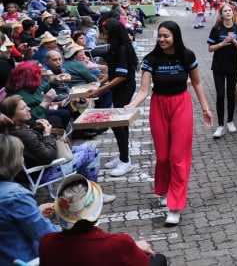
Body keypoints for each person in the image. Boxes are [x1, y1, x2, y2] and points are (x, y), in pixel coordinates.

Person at [125, 20, 212, 226]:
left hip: (181, 105)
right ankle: (163, 189)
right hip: (159, 105)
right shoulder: (151, 59)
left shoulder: (187, 56)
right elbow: (144, 90)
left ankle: (175, 206)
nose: (162, 39)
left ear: (175, 37)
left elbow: (197, 83)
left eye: (166, 36)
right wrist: (130, 106)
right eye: (160, 36)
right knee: (163, 157)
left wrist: (205, 108)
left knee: (178, 158)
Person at [39, 174, 167, 266]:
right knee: (159, 259)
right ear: (96, 210)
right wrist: (135, 248)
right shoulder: (120, 244)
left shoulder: (46, 242)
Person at [0, 95, 103, 185]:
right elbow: (48, 158)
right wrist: (47, 134)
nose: (29, 108)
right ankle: (91, 192)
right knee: (93, 153)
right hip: (42, 174)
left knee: (86, 148)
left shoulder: (13, 130)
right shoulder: (24, 134)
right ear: (12, 116)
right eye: (23, 108)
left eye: (26, 106)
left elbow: (35, 147)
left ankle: (81, 188)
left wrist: (37, 129)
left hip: (36, 169)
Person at [86, 18, 137, 177]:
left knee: (118, 124)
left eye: (106, 33)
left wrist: (101, 91)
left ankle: (125, 160)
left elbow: (121, 76)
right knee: (119, 124)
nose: (103, 35)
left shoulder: (122, 48)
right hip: (119, 87)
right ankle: (123, 155)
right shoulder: (116, 47)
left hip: (124, 88)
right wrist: (100, 83)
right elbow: (113, 72)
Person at [0, 135, 61, 265]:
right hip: (24, 260)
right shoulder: (15, 196)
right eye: (21, 155)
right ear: (12, 160)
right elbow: (45, 234)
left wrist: (35, 212)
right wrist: (74, 232)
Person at [207, 4, 237, 139]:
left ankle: (230, 121)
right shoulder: (216, 29)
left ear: (233, 13)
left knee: (230, 95)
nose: (228, 12)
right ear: (221, 14)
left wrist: (234, 40)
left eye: (230, 10)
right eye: (225, 11)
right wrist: (222, 44)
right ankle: (220, 125)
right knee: (220, 95)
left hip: (232, 66)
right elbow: (210, 48)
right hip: (218, 67)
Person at [6, 60, 71, 130]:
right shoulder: (19, 95)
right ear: (31, 77)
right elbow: (29, 118)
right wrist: (45, 102)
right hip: (32, 122)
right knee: (57, 119)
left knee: (66, 111)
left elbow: (42, 89)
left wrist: (54, 81)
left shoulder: (29, 85)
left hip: (42, 113)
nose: (40, 75)